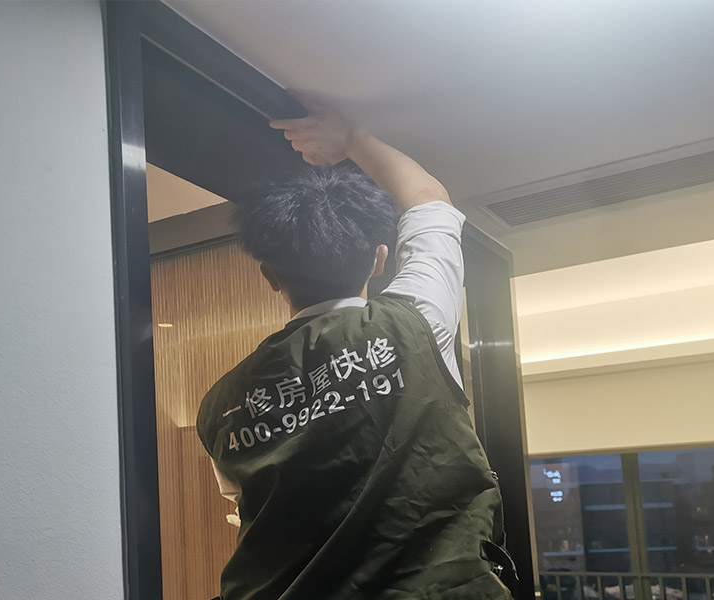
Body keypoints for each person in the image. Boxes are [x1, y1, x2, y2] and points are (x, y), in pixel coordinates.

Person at [197, 95, 514, 600]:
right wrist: (351, 138)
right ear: (378, 259)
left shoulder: (220, 405)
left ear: (269, 276)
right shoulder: (416, 321)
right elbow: (428, 200)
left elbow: (246, 504)